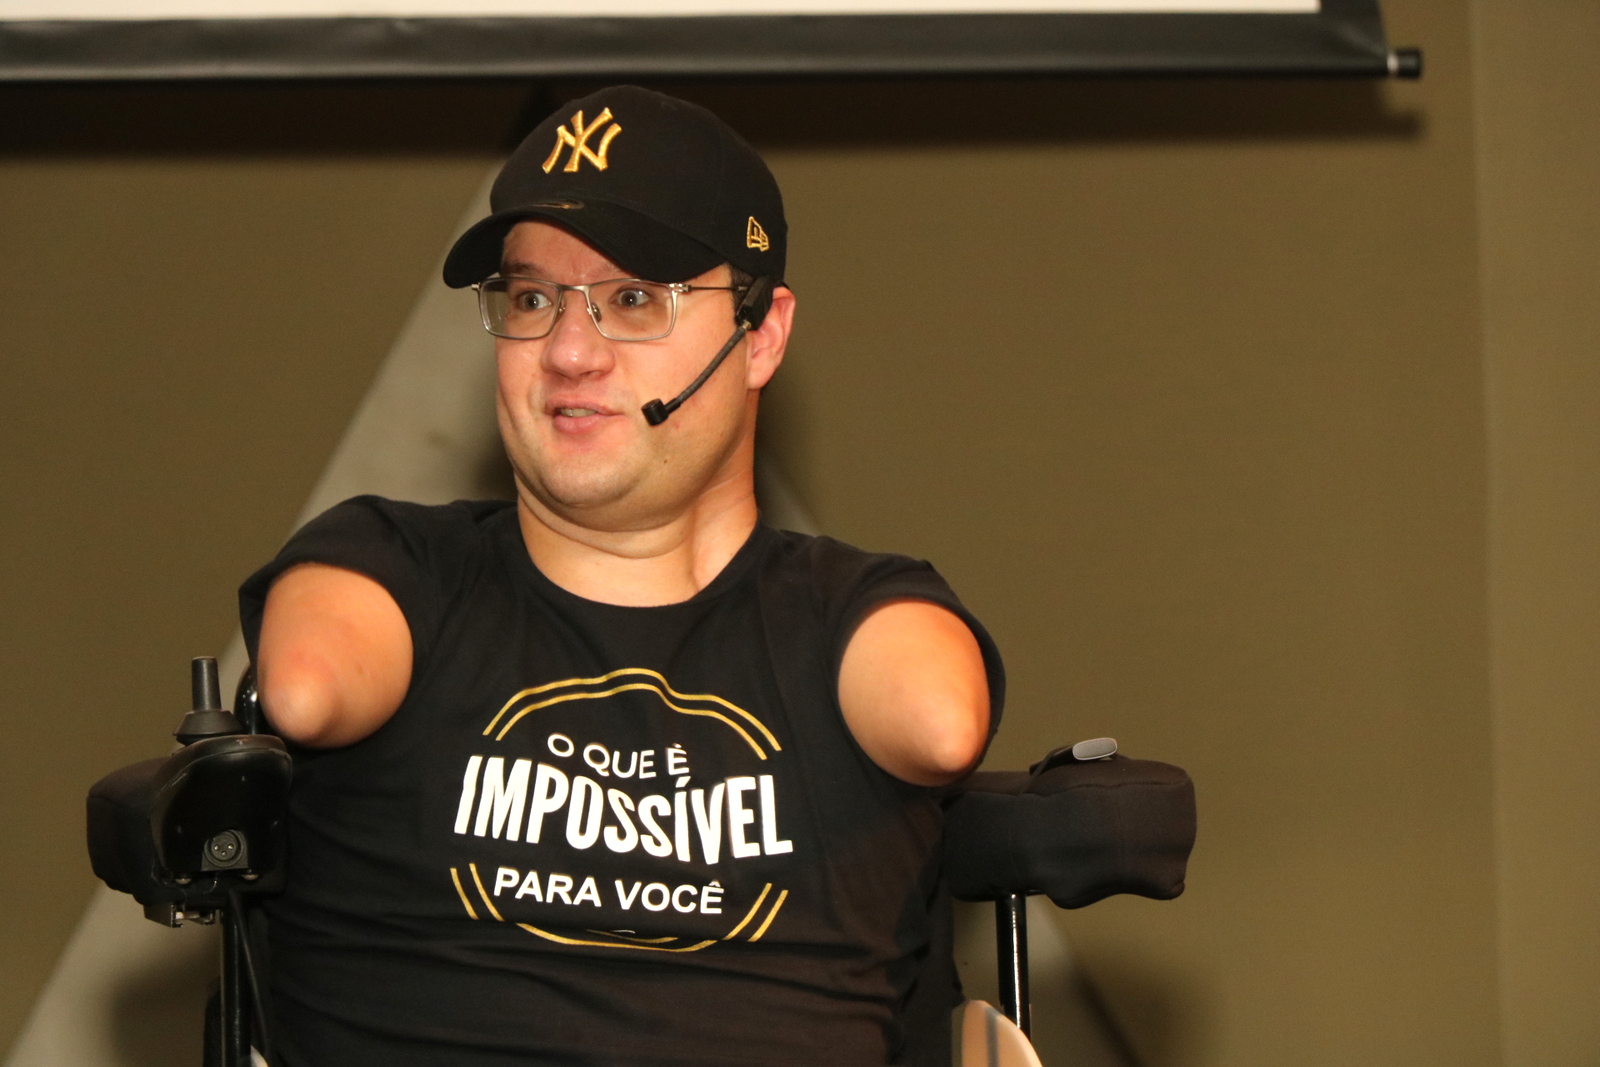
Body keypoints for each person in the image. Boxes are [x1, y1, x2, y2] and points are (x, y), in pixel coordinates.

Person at [240, 85, 1004, 1067]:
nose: (567, 351)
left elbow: (939, 722)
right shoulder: (394, 567)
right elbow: (305, 690)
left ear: (761, 334)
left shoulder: (849, 612)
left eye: (633, 298)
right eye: (531, 299)